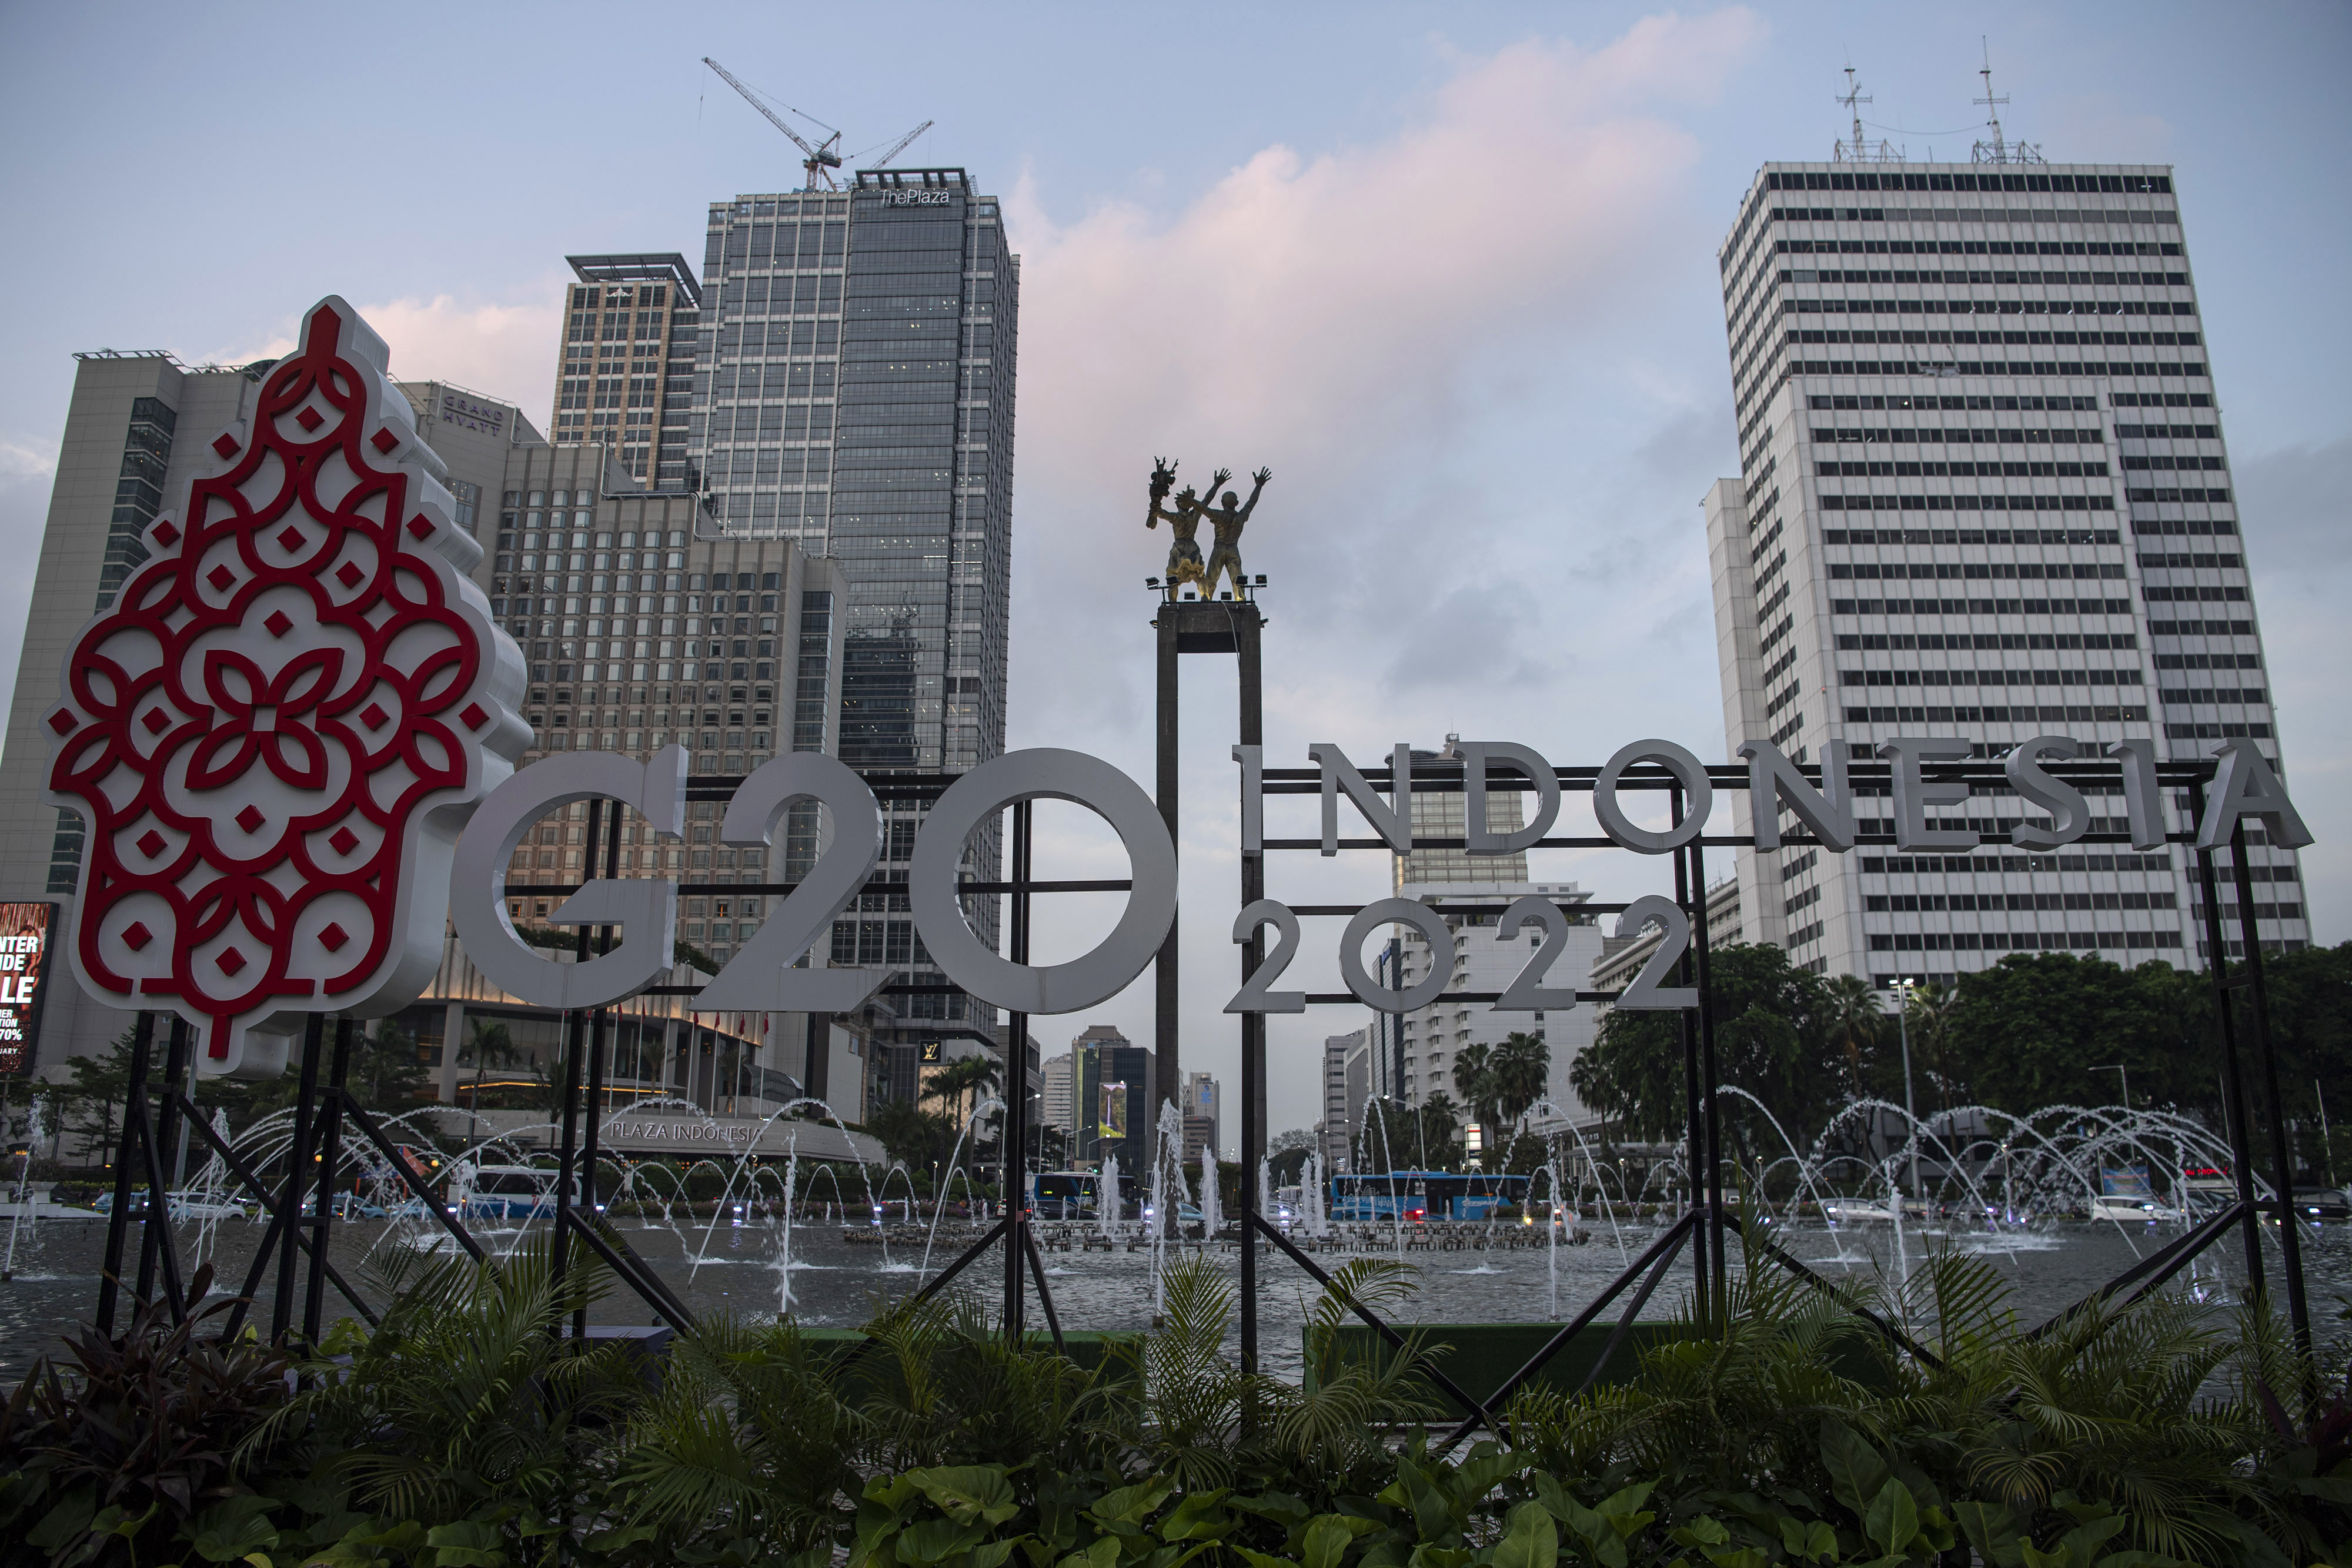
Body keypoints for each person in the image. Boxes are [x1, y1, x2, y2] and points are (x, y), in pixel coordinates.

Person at [1147, 462, 1228, 594]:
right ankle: (1205, 598)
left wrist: (1155, 504)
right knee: (1199, 577)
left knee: (1173, 579)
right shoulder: (1194, 516)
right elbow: (1206, 501)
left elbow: (1159, 512)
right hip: (1192, 547)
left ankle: (1173, 604)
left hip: (1179, 548)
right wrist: (1216, 485)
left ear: (1179, 505)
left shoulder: (1175, 518)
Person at [1200, 467, 1271, 600]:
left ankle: (1206, 598)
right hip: (1233, 548)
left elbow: (1202, 507)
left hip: (1219, 548)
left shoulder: (1219, 516)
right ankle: (1241, 598)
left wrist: (1216, 485)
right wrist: (1259, 486)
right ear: (1237, 503)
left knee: (1211, 577)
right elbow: (1251, 503)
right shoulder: (1241, 517)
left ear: (1222, 503)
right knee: (1237, 578)